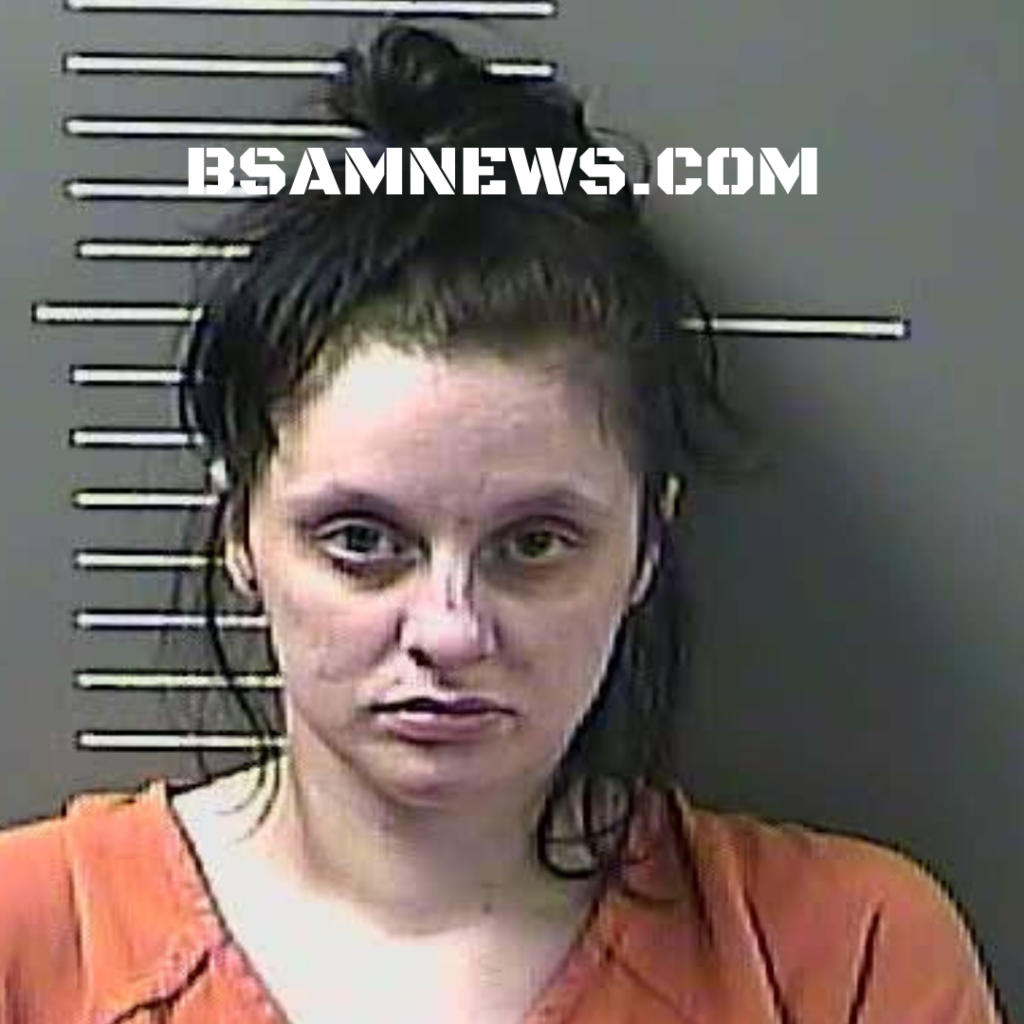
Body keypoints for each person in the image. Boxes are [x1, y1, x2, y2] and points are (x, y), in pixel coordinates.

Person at [0, 22, 1006, 1024]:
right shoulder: (30, 940)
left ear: (646, 544)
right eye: (361, 541)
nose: (449, 631)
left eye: (533, 545)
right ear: (241, 532)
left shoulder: (848, 956)